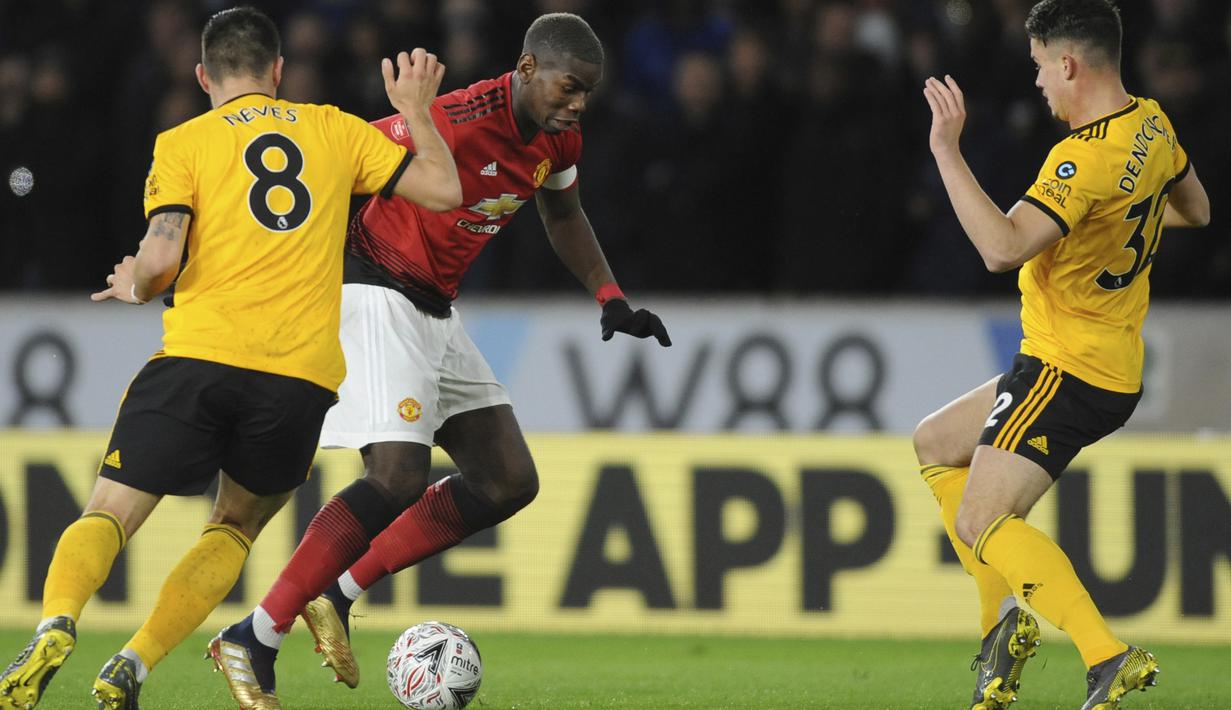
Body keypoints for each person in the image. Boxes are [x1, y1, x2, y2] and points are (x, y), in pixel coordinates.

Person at [0, 7, 460, 710]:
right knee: (236, 525)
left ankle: (58, 620)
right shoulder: (336, 128)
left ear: (202, 75)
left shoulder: (182, 140)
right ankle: (136, 662)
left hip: (200, 359)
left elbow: (158, 260)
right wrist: (416, 111)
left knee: (111, 510)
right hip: (298, 379)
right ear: (278, 72)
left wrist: (135, 284)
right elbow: (444, 191)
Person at [210, 11, 670, 706]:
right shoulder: (452, 120)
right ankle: (256, 633)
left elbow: (563, 214)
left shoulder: (558, 137)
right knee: (396, 473)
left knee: (507, 479)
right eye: (569, 88)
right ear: (525, 70)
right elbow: (334, 165)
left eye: (586, 94)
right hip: (373, 289)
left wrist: (608, 296)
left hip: (434, 307)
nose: (577, 105)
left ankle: (337, 591)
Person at [913, 1, 1209, 709]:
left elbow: (1000, 247)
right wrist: (1112, 220)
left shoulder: (1079, 158)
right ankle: (999, 631)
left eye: (1041, 67)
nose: (1039, 83)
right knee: (934, 444)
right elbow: (1194, 210)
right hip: (1100, 360)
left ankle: (1105, 655)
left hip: (1067, 365)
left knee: (978, 522)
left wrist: (946, 152)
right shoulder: (1151, 124)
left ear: (1068, 64)